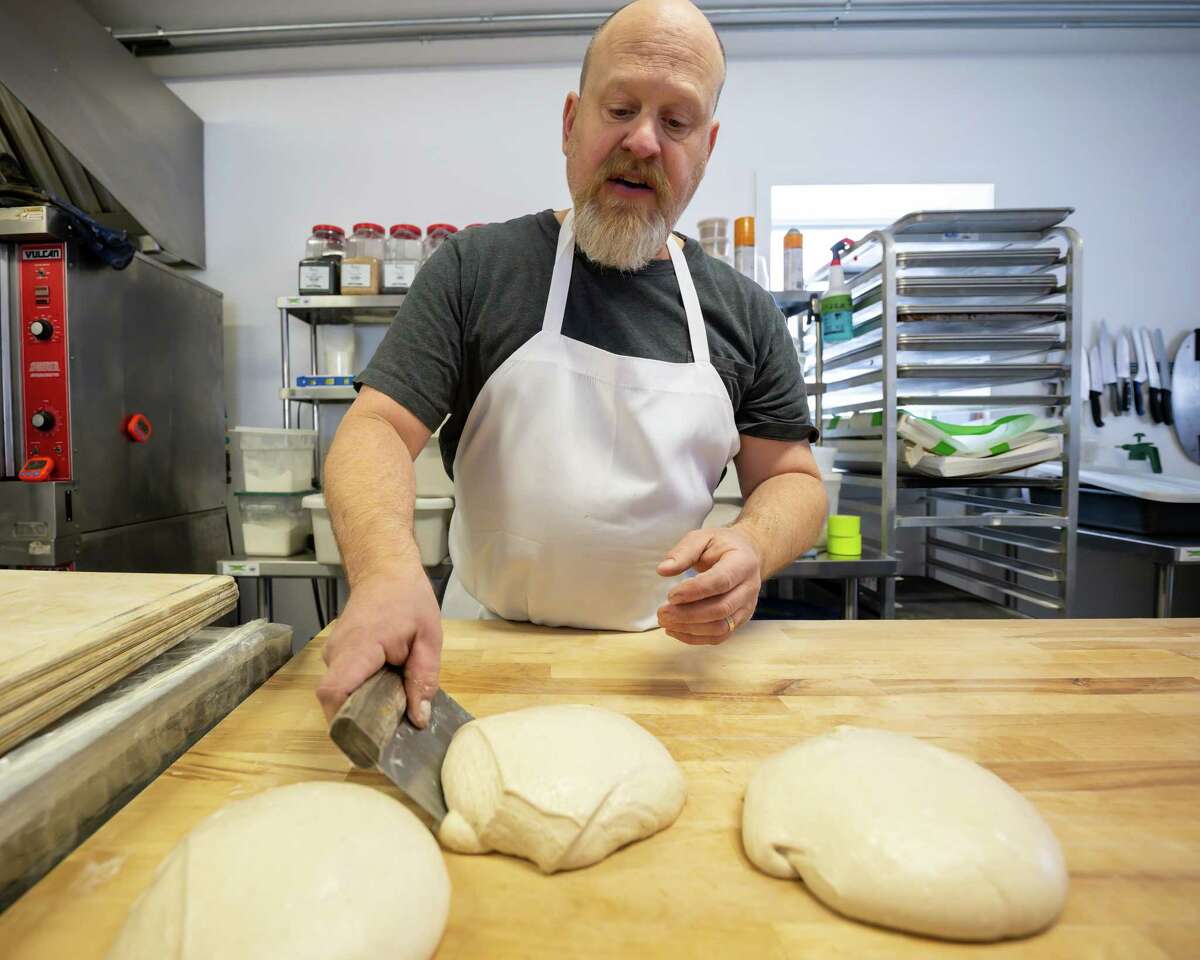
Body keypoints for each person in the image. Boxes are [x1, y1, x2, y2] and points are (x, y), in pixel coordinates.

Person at [317, 0, 826, 728]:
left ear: (706, 148)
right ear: (570, 122)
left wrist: (752, 544)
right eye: (619, 107)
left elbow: (791, 480)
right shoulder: (477, 269)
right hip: (472, 656)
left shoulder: (744, 312)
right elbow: (376, 429)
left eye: (676, 122)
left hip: (666, 666)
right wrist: (387, 572)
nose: (643, 141)